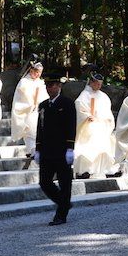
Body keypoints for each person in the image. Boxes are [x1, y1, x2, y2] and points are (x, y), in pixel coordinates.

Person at [33, 74, 77, 225]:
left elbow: (71, 127)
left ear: (59, 86)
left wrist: (70, 148)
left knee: (65, 183)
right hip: (46, 150)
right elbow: (40, 128)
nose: (49, 88)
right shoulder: (43, 105)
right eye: (47, 86)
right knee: (44, 182)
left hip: (62, 150)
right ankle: (64, 203)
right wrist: (37, 148)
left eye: (52, 85)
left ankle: (61, 215)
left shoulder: (67, 103)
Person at [74, 68, 117, 179]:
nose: (98, 86)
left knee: (105, 146)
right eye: (96, 83)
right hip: (88, 126)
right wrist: (87, 116)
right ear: (91, 82)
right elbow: (79, 106)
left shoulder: (103, 96)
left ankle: (107, 169)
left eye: (100, 84)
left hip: (101, 125)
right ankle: (84, 170)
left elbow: (107, 111)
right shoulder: (84, 95)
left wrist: (106, 119)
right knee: (88, 147)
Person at [11, 61, 46, 157]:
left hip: (37, 110)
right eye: (36, 71)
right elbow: (23, 95)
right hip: (27, 110)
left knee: (36, 130)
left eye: (40, 72)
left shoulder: (40, 82)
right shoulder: (24, 82)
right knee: (29, 131)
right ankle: (31, 150)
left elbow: (44, 96)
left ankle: (33, 150)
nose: (38, 74)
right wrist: (31, 103)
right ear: (31, 71)